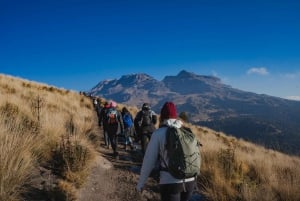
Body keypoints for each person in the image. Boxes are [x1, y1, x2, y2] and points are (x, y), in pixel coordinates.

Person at [136, 102, 196, 201]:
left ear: (162, 117)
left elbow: (149, 161)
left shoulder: (158, 133)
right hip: (190, 181)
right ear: (175, 116)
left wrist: (141, 183)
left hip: (170, 182)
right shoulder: (185, 131)